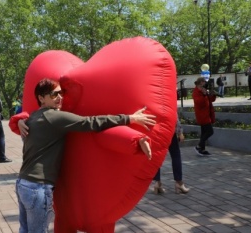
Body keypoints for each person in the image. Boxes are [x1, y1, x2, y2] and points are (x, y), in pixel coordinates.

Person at [15, 78, 156, 233]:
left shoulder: (34, 117)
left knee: (25, 230)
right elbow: (91, 122)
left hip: (23, 183)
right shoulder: (54, 117)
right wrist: (129, 118)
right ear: (41, 98)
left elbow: (23, 118)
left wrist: (19, 119)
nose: (60, 97)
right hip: (38, 187)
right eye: (54, 94)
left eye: (61, 93)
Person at [153, 116, 189, 195]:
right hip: (169, 131)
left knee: (157, 156)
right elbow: (174, 115)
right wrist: (180, 132)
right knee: (176, 155)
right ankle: (179, 182)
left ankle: (157, 182)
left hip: (157, 131)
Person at [192, 77, 216, 156]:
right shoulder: (196, 92)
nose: (205, 84)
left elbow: (211, 100)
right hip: (202, 115)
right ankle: (199, 146)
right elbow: (200, 102)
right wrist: (204, 94)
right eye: (203, 82)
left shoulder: (203, 90)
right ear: (200, 83)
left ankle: (202, 149)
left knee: (204, 133)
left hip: (207, 113)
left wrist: (212, 94)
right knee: (210, 131)